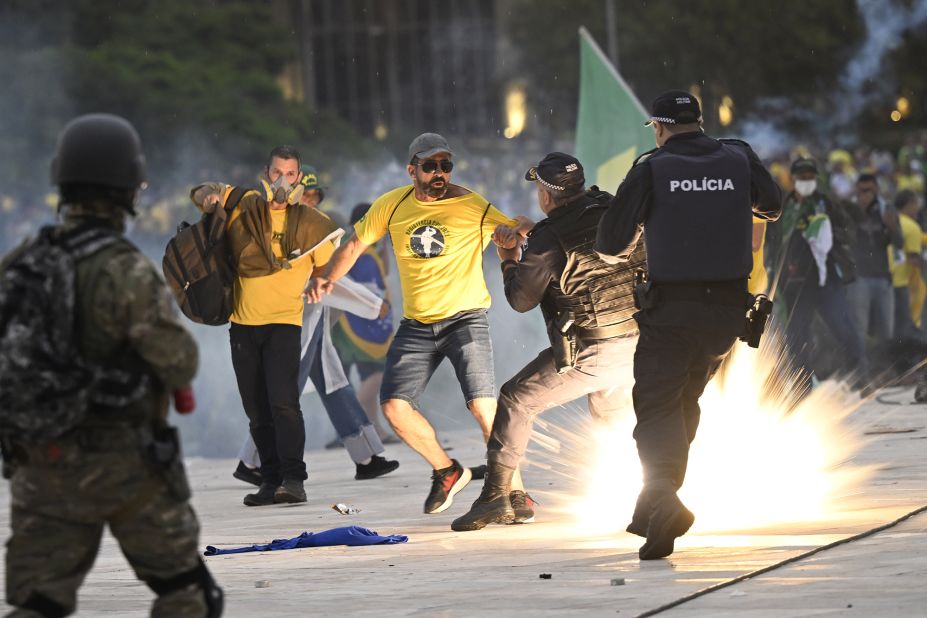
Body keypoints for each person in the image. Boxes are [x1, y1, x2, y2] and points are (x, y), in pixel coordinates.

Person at [1, 114, 222, 616]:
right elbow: (179, 362)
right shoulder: (125, 267)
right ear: (128, 187)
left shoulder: (23, 261)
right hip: (123, 466)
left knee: (40, 603)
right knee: (188, 594)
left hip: (38, 462)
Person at [594, 91, 782, 559]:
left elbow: (611, 246)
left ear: (658, 127)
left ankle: (661, 495)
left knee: (657, 406)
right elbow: (773, 205)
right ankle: (657, 505)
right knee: (683, 402)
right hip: (726, 315)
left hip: (672, 312)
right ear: (700, 122)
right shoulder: (738, 156)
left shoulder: (651, 168)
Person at [305, 133, 533, 514]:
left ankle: (514, 490)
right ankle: (446, 471)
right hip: (417, 325)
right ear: (412, 170)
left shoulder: (470, 205)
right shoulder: (391, 205)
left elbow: (516, 225)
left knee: (482, 406)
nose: (440, 173)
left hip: (465, 319)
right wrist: (327, 278)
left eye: (446, 165)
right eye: (430, 166)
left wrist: (517, 231)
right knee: (394, 408)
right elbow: (354, 245)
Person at [451, 153, 645, 532]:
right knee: (612, 417)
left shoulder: (547, 238)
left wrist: (509, 257)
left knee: (515, 398)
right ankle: (647, 491)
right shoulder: (610, 207)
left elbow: (521, 300)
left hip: (594, 349)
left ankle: (495, 497)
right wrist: (537, 232)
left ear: (544, 193)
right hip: (641, 340)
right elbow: (583, 234)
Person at [192, 146, 341, 506]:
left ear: (299, 179)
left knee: (284, 404)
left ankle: (294, 479)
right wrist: (209, 196)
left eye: (291, 175)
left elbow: (329, 265)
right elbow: (200, 192)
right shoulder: (243, 204)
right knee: (255, 408)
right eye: (277, 173)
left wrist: (318, 282)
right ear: (266, 173)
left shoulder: (311, 222)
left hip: (285, 323)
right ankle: (269, 479)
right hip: (242, 322)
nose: (282, 182)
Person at [765, 157, 864, 390]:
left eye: (810, 177)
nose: (806, 181)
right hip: (794, 284)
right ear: (793, 178)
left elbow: (848, 232)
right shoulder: (783, 205)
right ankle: (803, 386)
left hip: (825, 279)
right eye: (802, 177)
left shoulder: (826, 203)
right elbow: (774, 239)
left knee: (843, 328)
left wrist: (827, 232)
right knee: (797, 337)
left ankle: (859, 377)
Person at [331, 202, 400, 443]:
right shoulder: (352, 245)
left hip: (362, 322)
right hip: (353, 323)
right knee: (372, 373)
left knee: (370, 373)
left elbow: (383, 273)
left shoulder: (369, 246)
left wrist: (385, 249)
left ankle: (373, 430)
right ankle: (354, 426)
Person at [845, 173, 902, 378]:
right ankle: (863, 372)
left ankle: (886, 370)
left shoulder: (887, 209)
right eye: (861, 191)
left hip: (882, 277)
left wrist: (892, 227)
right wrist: (857, 214)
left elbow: (899, 243)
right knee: (859, 328)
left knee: (886, 329)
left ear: (876, 189)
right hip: (860, 277)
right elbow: (845, 239)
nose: (865, 195)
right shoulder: (851, 210)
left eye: (869, 190)